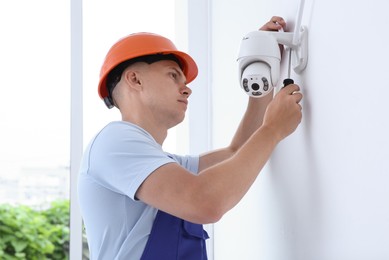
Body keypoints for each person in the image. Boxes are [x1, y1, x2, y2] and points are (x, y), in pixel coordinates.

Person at [78, 16, 303, 260]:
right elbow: (205, 201)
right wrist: (272, 130)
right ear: (135, 79)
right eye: (173, 75)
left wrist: (260, 65)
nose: (187, 88)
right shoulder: (115, 141)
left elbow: (238, 152)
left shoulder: (161, 166)